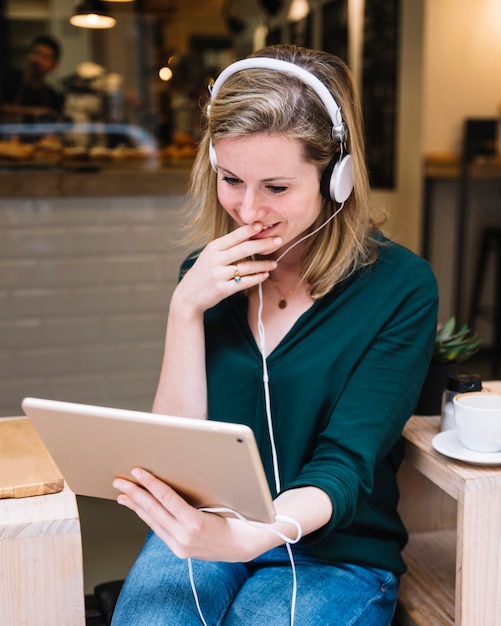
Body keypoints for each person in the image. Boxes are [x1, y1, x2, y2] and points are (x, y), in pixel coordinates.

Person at [111, 44, 438, 626]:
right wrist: (185, 309)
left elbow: (344, 464)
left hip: (333, 554)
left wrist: (256, 536)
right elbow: (175, 453)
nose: (248, 210)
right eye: (231, 179)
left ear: (336, 178)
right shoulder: (207, 275)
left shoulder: (401, 288)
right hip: (213, 530)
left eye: (277, 188)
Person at [0, 34, 64, 124]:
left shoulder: (52, 96)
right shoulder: (7, 80)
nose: (37, 59)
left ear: (54, 65)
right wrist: (33, 111)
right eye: (35, 53)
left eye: (45, 57)